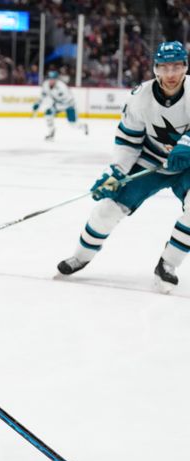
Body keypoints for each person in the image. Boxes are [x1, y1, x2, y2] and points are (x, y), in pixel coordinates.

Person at [57, 41, 190, 292]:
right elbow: (129, 141)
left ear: (185, 67)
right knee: (107, 209)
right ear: (155, 69)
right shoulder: (140, 97)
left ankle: (168, 265)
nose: (171, 74)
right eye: (164, 68)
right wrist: (115, 172)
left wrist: (187, 145)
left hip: (188, 166)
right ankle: (81, 257)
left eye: (177, 67)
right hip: (151, 162)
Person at [31, 70, 89, 141]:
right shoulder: (45, 84)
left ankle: (83, 126)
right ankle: (51, 133)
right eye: (50, 79)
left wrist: (56, 106)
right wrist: (38, 103)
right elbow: (43, 95)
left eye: (53, 79)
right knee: (48, 114)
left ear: (56, 79)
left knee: (73, 125)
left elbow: (68, 100)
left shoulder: (62, 87)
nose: (51, 81)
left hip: (69, 105)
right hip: (58, 104)